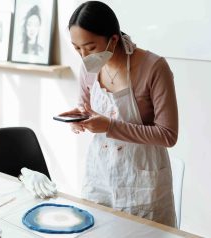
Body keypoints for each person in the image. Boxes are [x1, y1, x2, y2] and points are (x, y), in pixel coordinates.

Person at [57, 1, 178, 227]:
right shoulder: (88, 67)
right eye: (77, 48)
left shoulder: (154, 67)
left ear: (113, 39)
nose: (83, 56)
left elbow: (168, 135)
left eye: (90, 48)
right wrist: (79, 119)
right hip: (100, 173)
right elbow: (85, 107)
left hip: (142, 180)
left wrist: (110, 127)